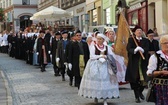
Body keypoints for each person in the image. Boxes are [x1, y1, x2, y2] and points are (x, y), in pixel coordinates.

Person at [78, 33, 119, 105]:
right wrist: (100, 56)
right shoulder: (93, 47)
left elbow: (111, 55)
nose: (99, 40)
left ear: (103, 40)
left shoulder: (107, 47)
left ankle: (105, 99)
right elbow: (91, 56)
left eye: (100, 39)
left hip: (105, 66)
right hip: (95, 65)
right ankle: (95, 97)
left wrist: (106, 57)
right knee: (96, 81)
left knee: (106, 82)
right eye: (98, 39)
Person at [125, 26, 149, 103]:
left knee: (144, 79)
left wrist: (142, 49)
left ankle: (140, 92)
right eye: (138, 31)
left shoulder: (145, 40)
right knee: (135, 80)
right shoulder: (131, 40)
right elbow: (128, 48)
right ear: (134, 32)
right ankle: (136, 96)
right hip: (134, 63)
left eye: (140, 31)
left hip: (143, 63)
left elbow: (147, 48)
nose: (139, 32)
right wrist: (135, 50)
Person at [147, 35, 168, 105]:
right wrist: (160, 72)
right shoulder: (155, 57)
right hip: (161, 87)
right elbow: (149, 72)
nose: (167, 44)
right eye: (165, 43)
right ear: (161, 44)